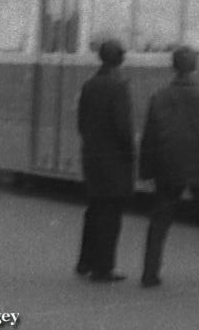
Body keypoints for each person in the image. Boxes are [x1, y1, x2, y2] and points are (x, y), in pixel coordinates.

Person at [139, 45, 199, 288]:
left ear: (173, 67)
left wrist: (146, 170)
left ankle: (150, 273)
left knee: (160, 220)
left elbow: (150, 136)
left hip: (168, 168)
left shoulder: (159, 96)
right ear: (196, 67)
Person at [75, 39, 135, 283]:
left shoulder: (89, 85)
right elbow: (123, 129)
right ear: (119, 59)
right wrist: (130, 153)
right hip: (114, 161)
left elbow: (81, 123)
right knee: (111, 217)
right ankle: (103, 268)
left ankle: (84, 261)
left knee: (94, 210)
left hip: (92, 156)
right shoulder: (119, 87)